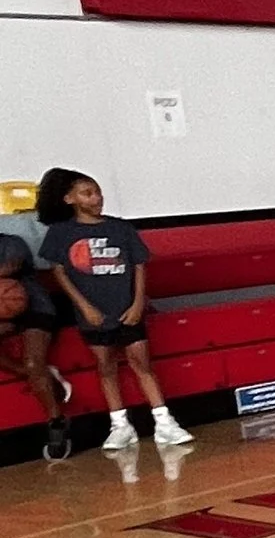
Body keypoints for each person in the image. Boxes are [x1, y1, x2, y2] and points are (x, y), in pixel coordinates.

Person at [33, 171, 185, 457]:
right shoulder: (61, 233)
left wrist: (138, 302)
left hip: (127, 309)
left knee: (141, 362)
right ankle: (120, 425)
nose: (96, 197)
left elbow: (139, 266)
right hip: (94, 313)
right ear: (69, 199)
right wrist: (84, 306)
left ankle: (165, 422)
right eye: (87, 193)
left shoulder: (121, 229)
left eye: (98, 191)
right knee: (105, 366)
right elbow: (59, 272)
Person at [0, 219, 73, 461]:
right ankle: (44, 374)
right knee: (32, 369)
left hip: (35, 308)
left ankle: (56, 422)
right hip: (4, 316)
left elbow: (11, 266)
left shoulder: (11, 243)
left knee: (34, 362)